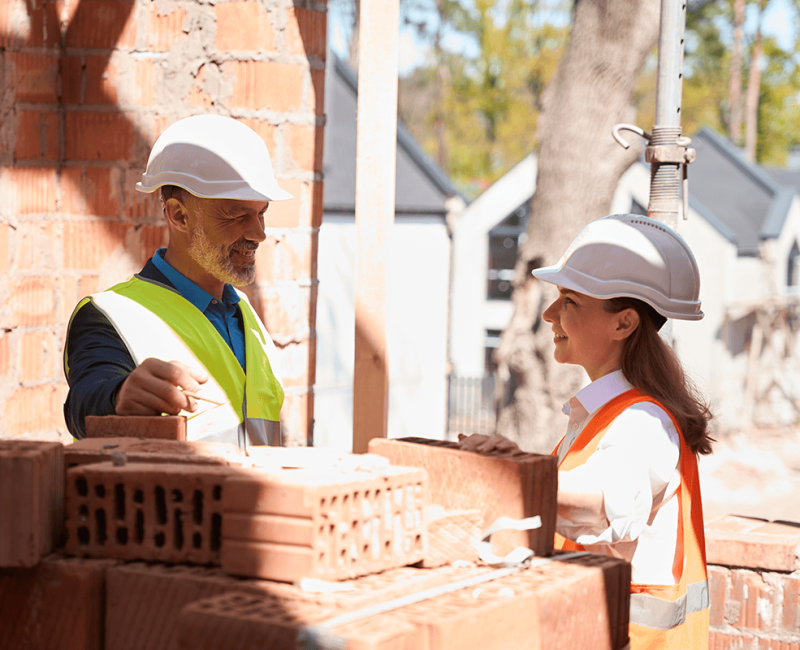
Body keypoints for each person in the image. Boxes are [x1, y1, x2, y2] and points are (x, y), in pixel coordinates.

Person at [460, 214, 713, 649]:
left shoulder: (643, 422)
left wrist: (511, 472)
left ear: (623, 324)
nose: (549, 314)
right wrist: (522, 462)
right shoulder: (609, 412)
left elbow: (604, 500)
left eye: (570, 301)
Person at [63, 115, 292, 449]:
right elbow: (86, 400)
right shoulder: (111, 315)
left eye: (261, 213)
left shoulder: (246, 317)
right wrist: (119, 396)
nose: (259, 233)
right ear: (179, 215)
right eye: (237, 214)